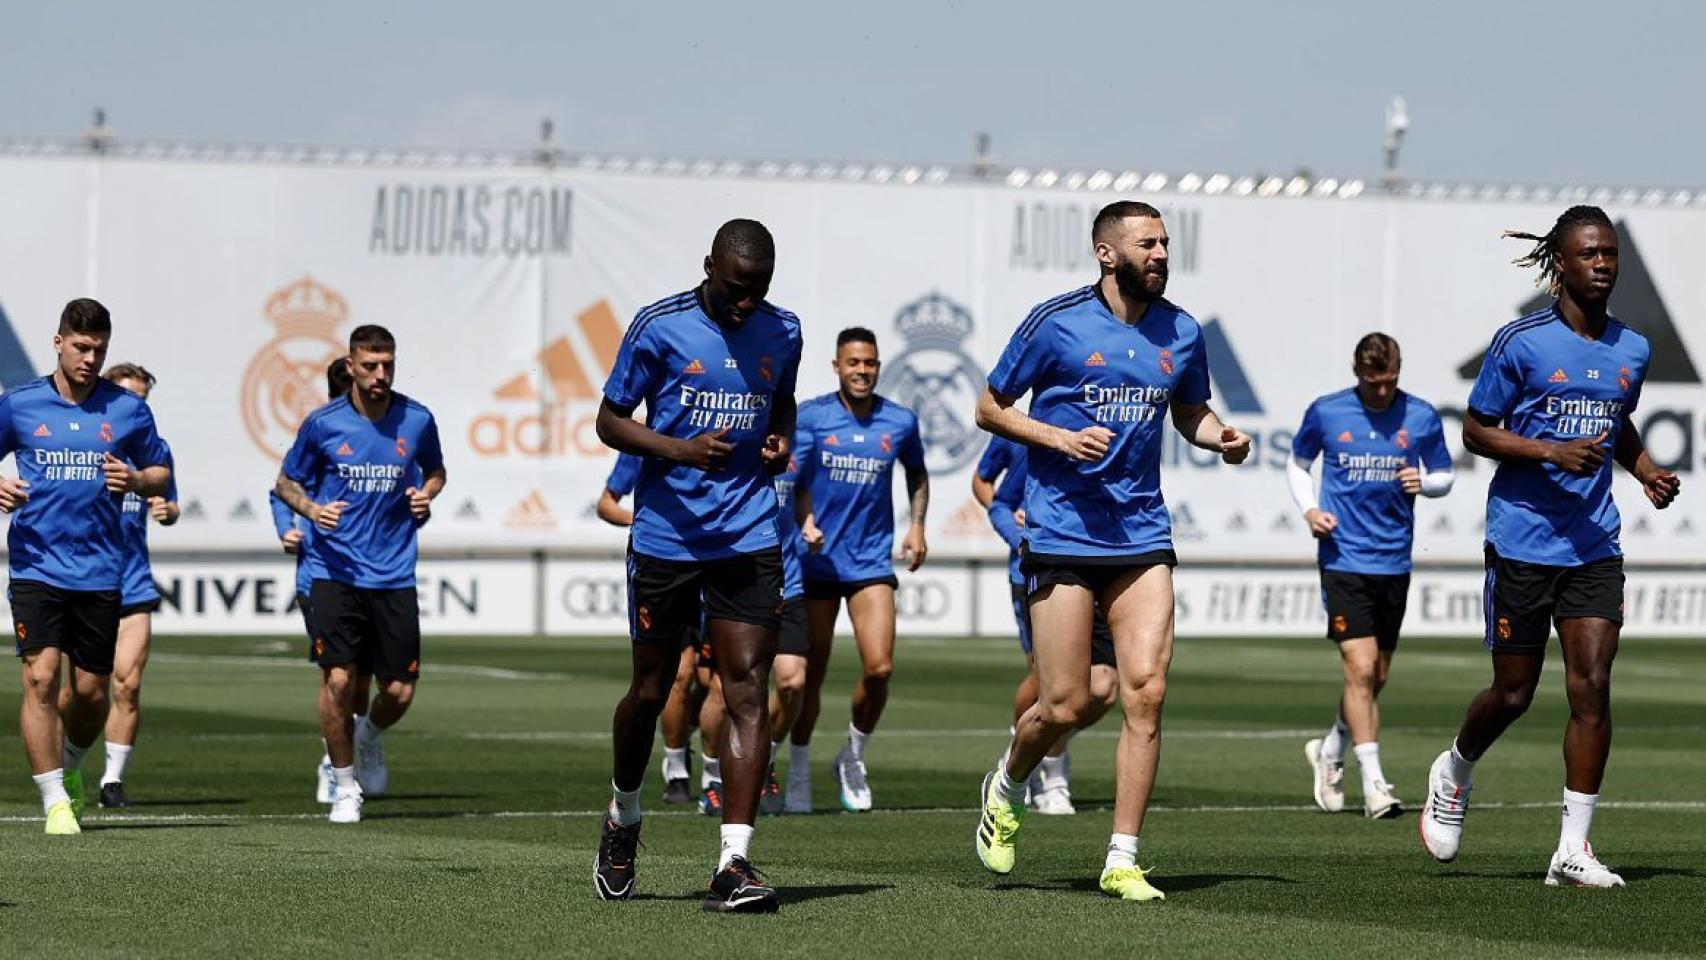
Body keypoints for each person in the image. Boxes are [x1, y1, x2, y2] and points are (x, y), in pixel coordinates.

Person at [970, 201, 1251, 901]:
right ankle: (1007, 782)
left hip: (1141, 533)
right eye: (1147, 244)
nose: (1160, 253)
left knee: (1146, 692)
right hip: (1062, 533)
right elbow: (989, 407)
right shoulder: (1055, 321)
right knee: (1063, 705)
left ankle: (1122, 857)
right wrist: (1058, 438)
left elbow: (1190, 412)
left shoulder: (1181, 331)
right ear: (1106, 253)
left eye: (1165, 243)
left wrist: (1223, 438)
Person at [1419, 206, 1680, 887]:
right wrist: (1546, 450)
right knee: (1513, 694)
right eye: (1590, 253)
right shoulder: (1522, 343)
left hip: (1594, 544)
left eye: (1611, 253)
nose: (1603, 263)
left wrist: (1645, 468)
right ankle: (1455, 769)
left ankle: (1574, 848)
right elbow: (1477, 431)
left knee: (1592, 685)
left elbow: (1616, 424)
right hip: (1523, 541)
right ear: (1559, 263)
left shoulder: (1633, 348)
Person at [592, 219, 801, 913]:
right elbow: (609, 420)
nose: (746, 304)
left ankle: (734, 863)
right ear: (709, 266)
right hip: (668, 538)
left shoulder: (785, 330)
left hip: (748, 534)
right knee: (651, 692)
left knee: (746, 689)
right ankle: (623, 815)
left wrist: (780, 440)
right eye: (737, 289)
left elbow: (784, 404)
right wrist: (678, 450)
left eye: (759, 290)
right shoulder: (659, 325)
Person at [1, 298, 171, 835]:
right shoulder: (19, 405)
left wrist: (138, 481)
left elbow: (160, 471)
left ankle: (71, 766)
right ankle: (54, 799)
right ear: (58, 343)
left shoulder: (127, 410)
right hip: (35, 565)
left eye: (98, 349)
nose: (89, 358)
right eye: (80, 347)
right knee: (41, 677)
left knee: (93, 694)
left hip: (101, 571)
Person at [275, 325, 447, 824]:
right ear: (350, 366)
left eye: (388, 364)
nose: (380, 374)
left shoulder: (416, 419)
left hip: (393, 573)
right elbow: (285, 484)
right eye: (370, 365)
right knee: (338, 679)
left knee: (399, 692)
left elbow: (436, 470)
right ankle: (345, 784)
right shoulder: (323, 423)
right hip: (335, 570)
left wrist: (427, 493)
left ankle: (367, 736)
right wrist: (311, 509)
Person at [1289, 334, 1453, 819]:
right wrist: (1311, 508)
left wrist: (1426, 484)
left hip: (1394, 560)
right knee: (1359, 669)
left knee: (1375, 676)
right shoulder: (1328, 411)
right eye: (1373, 382)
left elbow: (1444, 473)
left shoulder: (1420, 416)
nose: (1382, 392)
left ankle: (1330, 751)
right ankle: (1375, 785)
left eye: (1390, 381)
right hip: (1343, 557)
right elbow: (1298, 464)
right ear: (1357, 372)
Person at [789, 327, 928, 812]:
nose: (862, 371)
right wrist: (803, 520)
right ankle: (799, 769)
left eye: (869, 363)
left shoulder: (900, 421)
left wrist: (917, 528)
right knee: (809, 676)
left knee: (880, 666)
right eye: (853, 363)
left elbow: (917, 474)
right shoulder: (811, 417)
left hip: (870, 561)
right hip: (818, 564)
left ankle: (852, 755)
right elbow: (794, 480)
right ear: (837, 366)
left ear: (878, 365)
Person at [975, 435, 1117, 815]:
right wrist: (1020, 537)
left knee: (1104, 687)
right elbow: (988, 488)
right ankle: (1052, 776)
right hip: (1042, 569)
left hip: (1101, 568)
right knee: (1048, 681)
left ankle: (1027, 744)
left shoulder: (1115, 428)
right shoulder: (1027, 435)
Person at [269, 358, 379, 805]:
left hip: (369, 575)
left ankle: (357, 743)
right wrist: (287, 527)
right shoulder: (322, 434)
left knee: (363, 675)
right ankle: (332, 761)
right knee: (336, 672)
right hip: (319, 574)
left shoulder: (372, 434)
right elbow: (280, 488)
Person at [596, 452, 723, 808]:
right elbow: (605, 505)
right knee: (679, 676)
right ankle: (677, 768)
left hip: (718, 569)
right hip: (669, 567)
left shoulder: (726, 432)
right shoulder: (648, 440)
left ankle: (713, 774)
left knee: (716, 683)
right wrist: (643, 521)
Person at [86, 363, 181, 809]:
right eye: (128, 395)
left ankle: (112, 780)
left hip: (133, 584)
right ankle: (66, 764)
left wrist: (167, 512)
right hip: (82, 582)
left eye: (142, 398)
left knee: (127, 684)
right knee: (81, 693)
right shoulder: (84, 443)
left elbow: (170, 503)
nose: (135, 405)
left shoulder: (153, 451)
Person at [765, 449, 810, 814]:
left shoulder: (796, 446)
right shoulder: (729, 432)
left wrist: (807, 521)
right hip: (736, 582)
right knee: (723, 689)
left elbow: (803, 489)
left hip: (789, 585)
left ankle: (765, 757)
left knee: (793, 683)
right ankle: (712, 777)